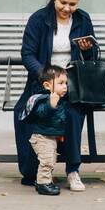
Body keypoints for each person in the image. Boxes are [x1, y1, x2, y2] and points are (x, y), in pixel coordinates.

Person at [13, 0, 97, 192]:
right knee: (29, 112)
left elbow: (93, 56)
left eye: (72, 4)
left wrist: (88, 49)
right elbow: (28, 53)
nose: (67, 8)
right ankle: (35, 170)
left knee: (73, 115)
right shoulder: (39, 19)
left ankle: (73, 170)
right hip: (43, 84)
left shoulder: (83, 19)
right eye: (63, 3)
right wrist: (45, 76)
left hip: (72, 86)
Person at [18, 65, 70, 196]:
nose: (65, 86)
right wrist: (51, 105)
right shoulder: (44, 99)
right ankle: (43, 184)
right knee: (46, 161)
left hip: (50, 136)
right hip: (41, 137)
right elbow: (41, 113)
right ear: (47, 85)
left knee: (51, 160)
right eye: (61, 83)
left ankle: (44, 181)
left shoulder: (60, 99)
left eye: (66, 83)